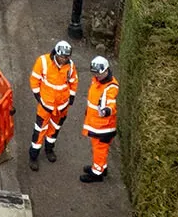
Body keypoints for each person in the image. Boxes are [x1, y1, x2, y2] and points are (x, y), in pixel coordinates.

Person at [27, 39, 77, 167]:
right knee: (39, 131)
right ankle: (33, 157)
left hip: (61, 108)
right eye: (62, 57)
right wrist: (39, 97)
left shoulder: (70, 66)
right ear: (56, 53)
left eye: (66, 57)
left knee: (54, 130)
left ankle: (49, 150)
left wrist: (70, 98)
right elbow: (34, 80)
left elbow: (73, 82)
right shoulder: (43, 62)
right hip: (45, 106)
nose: (64, 59)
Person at [80, 55, 120, 183]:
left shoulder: (111, 87)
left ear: (106, 70)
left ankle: (97, 174)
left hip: (103, 127)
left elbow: (111, 102)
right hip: (97, 123)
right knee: (99, 149)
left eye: (99, 74)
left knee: (99, 150)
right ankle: (102, 168)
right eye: (95, 73)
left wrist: (107, 110)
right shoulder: (97, 80)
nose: (96, 76)